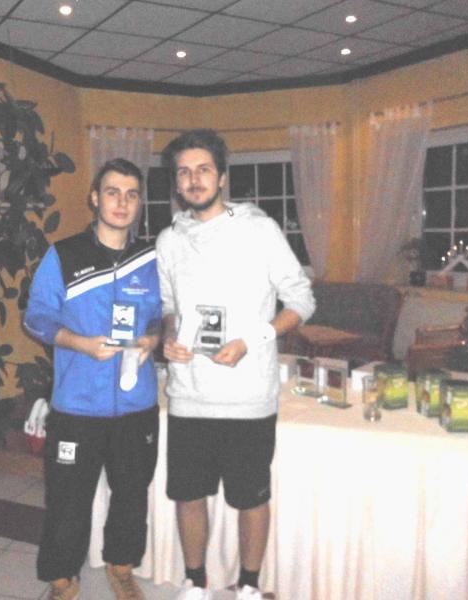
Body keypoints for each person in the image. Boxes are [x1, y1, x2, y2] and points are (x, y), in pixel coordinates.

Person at [156, 130, 315, 600]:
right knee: (188, 495)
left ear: (222, 177)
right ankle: (195, 582)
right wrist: (169, 336)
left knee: (251, 498)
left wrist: (252, 340)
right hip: (188, 395)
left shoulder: (259, 230)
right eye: (184, 172)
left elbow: (302, 300)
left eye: (204, 169)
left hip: (248, 397)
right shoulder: (168, 240)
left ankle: (248, 586)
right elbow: (168, 306)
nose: (194, 179)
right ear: (176, 182)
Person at [24, 158, 162, 600]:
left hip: (136, 404)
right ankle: (63, 579)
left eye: (131, 194)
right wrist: (80, 344)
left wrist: (154, 338)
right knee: (68, 500)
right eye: (113, 192)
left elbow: (162, 315)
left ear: (139, 202)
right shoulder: (64, 255)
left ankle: (121, 568)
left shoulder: (151, 258)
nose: (122, 202)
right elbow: (36, 318)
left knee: (131, 496)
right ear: (95, 198)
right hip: (77, 406)